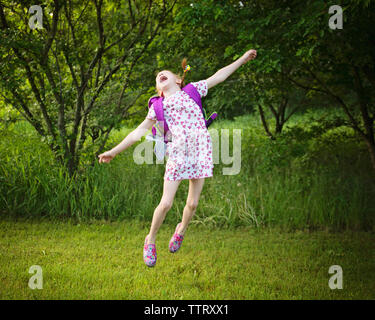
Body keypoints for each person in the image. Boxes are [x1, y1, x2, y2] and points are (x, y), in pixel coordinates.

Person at [98, 49, 257, 267]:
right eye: (157, 78)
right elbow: (138, 132)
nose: (160, 75)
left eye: (165, 73)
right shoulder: (158, 107)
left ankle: (181, 229)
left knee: (192, 204)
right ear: (159, 89)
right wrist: (114, 151)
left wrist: (243, 58)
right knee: (165, 204)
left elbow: (220, 75)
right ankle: (150, 240)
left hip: (200, 152)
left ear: (178, 79)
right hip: (178, 156)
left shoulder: (193, 90)